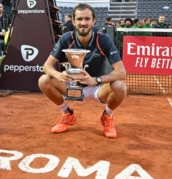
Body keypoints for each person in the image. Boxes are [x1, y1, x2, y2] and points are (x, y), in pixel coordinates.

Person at [38, 3, 127, 139]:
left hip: (97, 88)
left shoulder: (103, 39)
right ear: (73, 21)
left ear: (93, 21)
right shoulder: (66, 38)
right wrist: (58, 75)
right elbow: (46, 66)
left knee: (120, 86)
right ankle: (67, 114)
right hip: (71, 86)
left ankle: (107, 116)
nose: (83, 23)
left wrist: (95, 80)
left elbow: (121, 72)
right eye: (79, 19)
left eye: (87, 19)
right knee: (44, 80)